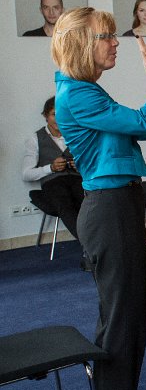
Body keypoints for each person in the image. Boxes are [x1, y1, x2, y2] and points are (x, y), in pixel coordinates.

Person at [52, 7, 146, 390]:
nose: (115, 42)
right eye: (106, 35)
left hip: (114, 207)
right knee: (123, 322)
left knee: (122, 319)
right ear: (82, 44)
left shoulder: (82, 89)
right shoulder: (78, 95)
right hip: (110, 211)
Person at [22, 96, 87, 268]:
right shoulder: (35, 139)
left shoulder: (76, 136)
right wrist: (50, 168)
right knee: (65, 205)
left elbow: (93, 165)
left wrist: (80, 166)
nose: (58, 119)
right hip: (53, 182)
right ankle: (90, 247)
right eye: (54, 114)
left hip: (77, 180)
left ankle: (98, 245)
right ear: (45, 116)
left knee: (89, 204)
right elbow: (26, 174)